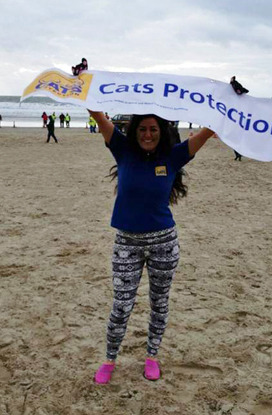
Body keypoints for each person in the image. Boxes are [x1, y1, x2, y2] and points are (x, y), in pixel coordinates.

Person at [88, 109, 215, 384]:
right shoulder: (122, 150)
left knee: (159, 302)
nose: (148, 134)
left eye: (154, 130)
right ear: (135, 131)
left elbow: (207, 132)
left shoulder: (173, 156)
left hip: (164, 244)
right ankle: (110, 359)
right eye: (143, 129)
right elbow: (99, 118)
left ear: (162, 132)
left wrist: (228, 102)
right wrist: (84, 89)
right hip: (127, 243)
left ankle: (152, 357)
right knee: (121, 305)